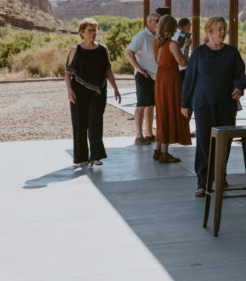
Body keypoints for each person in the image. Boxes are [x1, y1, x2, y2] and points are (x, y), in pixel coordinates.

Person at [181, 16, 246, 197]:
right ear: (209, 32)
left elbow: (240, 74)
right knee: (204, 143)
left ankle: (220, 177)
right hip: (203, 103)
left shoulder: (232, 52)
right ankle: (203, 183)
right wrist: (185, 103)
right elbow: (189, 79)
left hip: (226, 104)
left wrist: (239, 87)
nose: (222, 32)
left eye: (224, 28)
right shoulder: (199, 53)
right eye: (219, 29)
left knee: (224, 142)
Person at [64, 18, 121, 169]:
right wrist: (69, 91)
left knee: (95, 123)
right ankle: (82, 157)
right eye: (90, 30)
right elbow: (67, 73)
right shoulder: (76, 50)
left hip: (98, 92)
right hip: (78, 92)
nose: (93, 33)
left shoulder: (103, 49)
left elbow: (108, 70)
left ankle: (96, 156)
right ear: (82, 33)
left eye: (95, 30)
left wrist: (115, 88)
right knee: (80, 124)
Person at [153, 15, 191, 163]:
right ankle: (164, 153)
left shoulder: (156, 42)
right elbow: (182, 62)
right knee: (169, 112)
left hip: (160, 78)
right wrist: (187, 46)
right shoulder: (173, 44)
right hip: (171, 79)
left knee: (162, 112)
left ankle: (158, 150)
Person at [125, 12, 161, 145]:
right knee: (141, 105)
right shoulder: (141, 36)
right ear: (149, 22)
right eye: (157, 21)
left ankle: (149, 134)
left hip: (155, 76)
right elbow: (129, 52)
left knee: (151, 106)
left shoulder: (157, 36)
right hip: (144, 76)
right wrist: (140, 70)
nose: (159, 23)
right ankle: (138, 136)